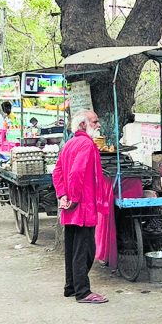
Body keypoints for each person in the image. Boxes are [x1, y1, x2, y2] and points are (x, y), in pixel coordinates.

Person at [52, 109, 108, 304]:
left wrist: (63, 195)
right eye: (94, 121)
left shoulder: (69, 144)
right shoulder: (86, 144)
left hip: (72, 204)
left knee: (72, 247)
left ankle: (71, 286)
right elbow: (76, 173)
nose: (98, 125)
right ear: (83, 124)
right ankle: (83, 291)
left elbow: (57, 171)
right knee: (85, 250)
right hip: (82, 206)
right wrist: (74, 199)